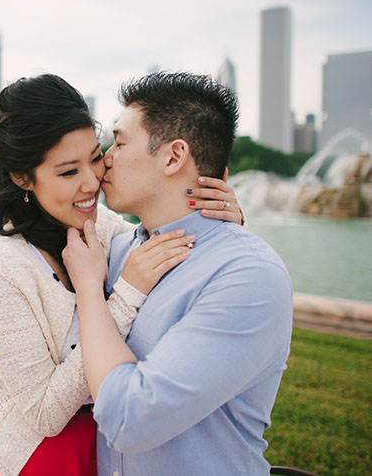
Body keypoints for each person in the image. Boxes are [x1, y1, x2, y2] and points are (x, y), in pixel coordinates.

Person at [0, 74, 245, 476]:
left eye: (95, 158)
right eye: (67, 172)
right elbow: (45, 414)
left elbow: (180, 258)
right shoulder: (1, 266)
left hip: (114, 450)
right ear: (22, 177)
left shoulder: (107, 229)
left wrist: (222, 222)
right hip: (41, 460)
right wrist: (126, 294)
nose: (91, 181)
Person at [62, 72, 293, 476]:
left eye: (119, 142)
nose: (105, 158)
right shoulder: (113, 251)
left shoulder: (247, 276)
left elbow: (129, 418)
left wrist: (89, 292)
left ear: (173, 156)